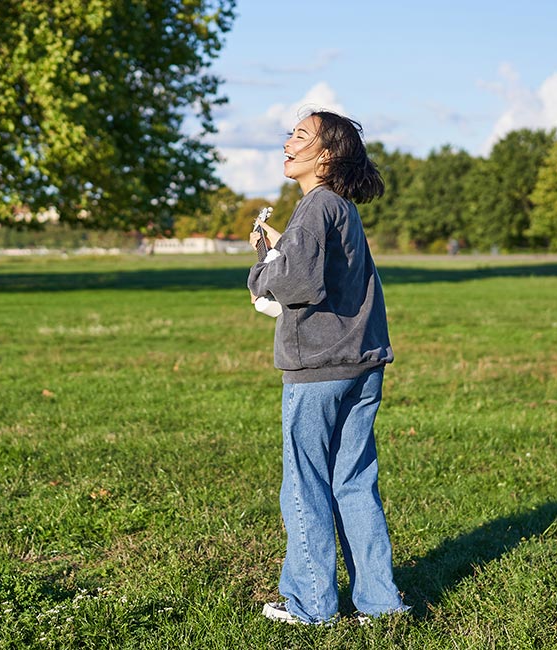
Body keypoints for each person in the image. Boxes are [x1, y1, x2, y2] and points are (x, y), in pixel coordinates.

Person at [247, 109, 409, 625]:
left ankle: (311, 605)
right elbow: (320, 272)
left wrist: (263, 269)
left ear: (326, 155)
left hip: (318, 370)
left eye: (300, 136)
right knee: (355, 482)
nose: (288, 143)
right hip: (361, 364)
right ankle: (381, 606)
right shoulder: (339, 208)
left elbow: (297, 285)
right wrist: (283, 250)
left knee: (303, 484)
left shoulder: (316, 206)